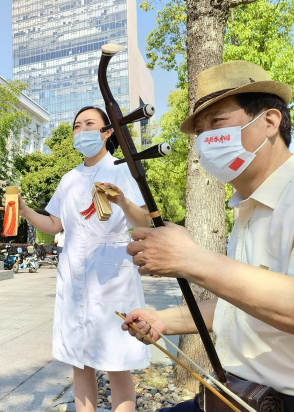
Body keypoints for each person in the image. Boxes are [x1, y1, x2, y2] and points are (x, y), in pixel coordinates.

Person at [121, 60, 294, 411]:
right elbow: (245, 304)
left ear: (270, 121)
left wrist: (190, 259)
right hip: (234, 395)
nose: (205, 141)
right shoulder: (246, 208)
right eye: (200, 133)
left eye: (217, 122)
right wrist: (163, 320)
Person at [6, 106, 152, 412]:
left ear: (107, 132)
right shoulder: (69, 178)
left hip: (111, 271)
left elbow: (143, 222)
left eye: (90, 124)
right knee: (79, 359)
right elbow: (54, 224)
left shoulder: (122, 170)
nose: (82, 131)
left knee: (116, 359)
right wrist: (24, 210)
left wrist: (123, 200)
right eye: (77, 126)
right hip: (74, 274)